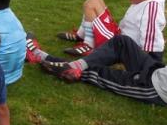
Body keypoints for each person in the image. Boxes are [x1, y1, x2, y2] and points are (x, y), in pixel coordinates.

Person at [49, 0, 164, 59]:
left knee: (91, 5)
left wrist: (131, 61)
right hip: (119, 36)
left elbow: (150, 41)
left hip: (120, 47)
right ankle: (81, 35)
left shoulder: (151, 8)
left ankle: (89, 45)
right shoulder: (146, 2)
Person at [39, 35, 167, 106]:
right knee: (122, 42)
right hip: (157, 70)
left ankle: (41, 56)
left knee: (97, 72)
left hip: (156, 87)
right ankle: (75, 65)